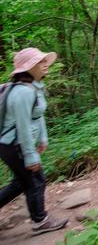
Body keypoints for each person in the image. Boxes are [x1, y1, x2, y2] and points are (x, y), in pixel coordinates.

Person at [0, 48, 68, 235]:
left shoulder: (33, 88)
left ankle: (39, 218)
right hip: (15, 145)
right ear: (28, 68)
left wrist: (43, 138)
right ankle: (40, 221)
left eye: (45, 60)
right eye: (40, 62)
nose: (45, 64)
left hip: (12, 144)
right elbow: (22, 126)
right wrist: (30, 156)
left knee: (20, 183)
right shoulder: (24, 93)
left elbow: (37, 116)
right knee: (35, 181)